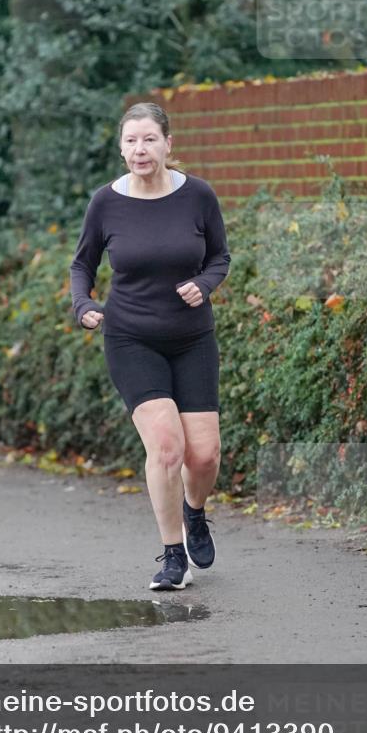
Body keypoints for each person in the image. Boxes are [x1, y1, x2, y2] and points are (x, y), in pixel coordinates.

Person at [70, 102, 230, 591]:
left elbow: (220, 257)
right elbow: (82, 265)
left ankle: (194, 511)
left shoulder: (198, 195)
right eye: (131, 141)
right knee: (165, 446)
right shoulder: (106, 202)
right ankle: (172, 555)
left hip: (192, 337)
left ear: (167, 144)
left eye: (149, 139)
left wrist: (204, 284)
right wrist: (83, 304)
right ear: (122, 149)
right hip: (131, 337)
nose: (140, 149)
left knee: (204, 456)